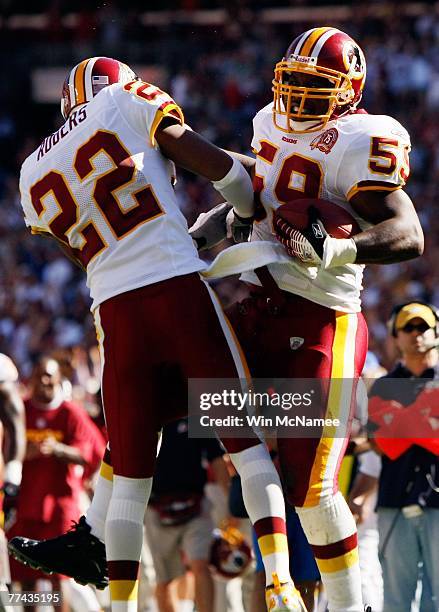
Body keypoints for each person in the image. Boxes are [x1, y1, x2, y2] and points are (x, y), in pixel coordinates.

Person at [9, 57, 300, 612]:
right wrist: (248, 207)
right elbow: (217, 167)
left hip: (116, 311)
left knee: (132, 472)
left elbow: (81, 252)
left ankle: (119, 604)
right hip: (174, 288)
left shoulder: (30, 171)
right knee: (244, 443)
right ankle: (280, 583)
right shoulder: (124, 101)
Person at [191, 26, 424, 612]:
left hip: (323, 314)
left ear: (349, 89)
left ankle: (344, 606)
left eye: (313, 85)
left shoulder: (364, 136)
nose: (296, 98)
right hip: (256, 300)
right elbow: (264, 198)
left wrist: (337, 247)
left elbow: (408, 234)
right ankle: (277, 582)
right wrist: (215, 225)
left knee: (312, 485)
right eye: (290, 83)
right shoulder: (267, 120)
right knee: (205, 413)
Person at [7, 356, 106, 612]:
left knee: (59, 577)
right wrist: (20, 454)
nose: (44, 381)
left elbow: (90, 453)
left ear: (59, 380)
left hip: (60, 505)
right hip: (26, 504)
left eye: (49, 375)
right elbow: (6, 447)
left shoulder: (71, 412)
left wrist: (58, 449)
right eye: (39, 375)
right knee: (25, 575)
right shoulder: (20, 409)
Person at [367, 301, 439, 612]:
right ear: (395, 336)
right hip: (393, 500)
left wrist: (398, 422)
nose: (415, 334)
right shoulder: (383, 386)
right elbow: (381, 444)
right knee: (396, 599)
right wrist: (426, 415)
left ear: (435, 332)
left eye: (422, 327)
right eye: (407, 328)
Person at [143, 418, 229, 612]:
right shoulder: (148, 411)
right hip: (156, 509)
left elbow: (217, 459)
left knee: (201, 564)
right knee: (165, 580)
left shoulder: (196, 414)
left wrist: (229, 506)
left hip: (196, 506)